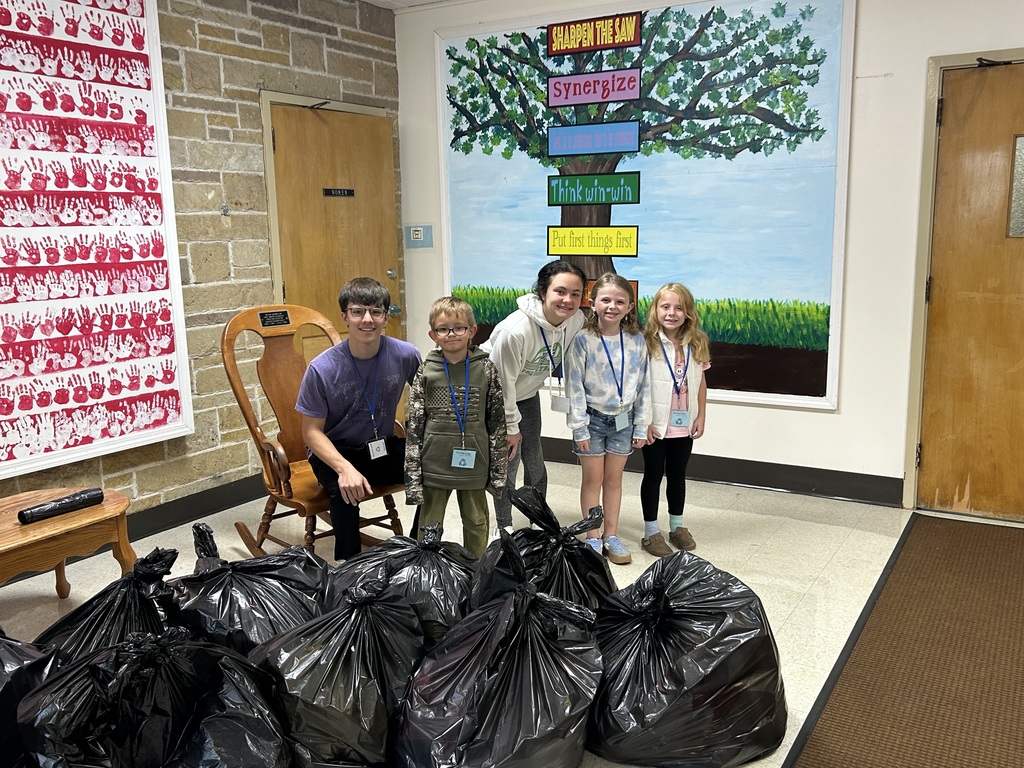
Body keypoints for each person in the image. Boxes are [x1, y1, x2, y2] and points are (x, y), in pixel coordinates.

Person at [296, 277, 421, 560]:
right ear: (345, 317)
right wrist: (344, 469)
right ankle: (350, 567)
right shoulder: (322, 368)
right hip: (335, 452)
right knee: (345, 492)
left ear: (386, 317)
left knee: (433, 467)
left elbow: (430, 399)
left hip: (381, 445)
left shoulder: (406, 354)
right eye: (358, 311)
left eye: (376, 312)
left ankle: (419, 550)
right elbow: (311, 433)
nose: (368, 319)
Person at [483, 259, 587, 532]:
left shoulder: (576, 320)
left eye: (575, 294)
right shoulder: (515, 331)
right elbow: (500, 384)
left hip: (527, 394)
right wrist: (510, 427)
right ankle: (503, 526)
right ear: (543, 292)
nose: (568, 300)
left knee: (534, 458)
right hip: (493, 397)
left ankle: (537, 517)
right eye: (560, 291)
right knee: (508, 462)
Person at [405, 297, 507, 557]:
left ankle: (475, 570)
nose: (451, 334)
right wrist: (413, 479)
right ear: (433, 334)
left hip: (474, 464)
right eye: (443, 329)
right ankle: (426, 569)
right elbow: (415, 427)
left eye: (459, 327)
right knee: (429, 524)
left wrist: (497, 476)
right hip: (433, 465)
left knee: (476, 521)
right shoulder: (426, 370)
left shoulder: (486, 369)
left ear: (472, 331)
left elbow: (496, 424)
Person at [564, 273, 650, 564]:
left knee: (613, 480)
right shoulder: (583, 340)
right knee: (593, 479)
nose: (612, 306)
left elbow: (644, 385)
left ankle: (611, 535)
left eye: (619, 301)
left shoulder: (637, 341)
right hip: (591, 419)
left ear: (630, 306)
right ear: (593, 302)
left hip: (624, 421)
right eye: (606, 299)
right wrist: (579, 427)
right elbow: (573, 386)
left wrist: (642, 423)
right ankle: (592, 536)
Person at [640, 282, 710, 555]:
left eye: (679, 307)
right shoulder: (646, 342)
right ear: (655, 309)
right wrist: (642, 421)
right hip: (655, 425)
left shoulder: (697, 342)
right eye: (665, 306)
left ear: (688, 312)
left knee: (678, 475)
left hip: (683, 424)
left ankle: (677, 526)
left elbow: (701, 382)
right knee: (653, 475)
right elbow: (639, 386)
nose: (671, 313)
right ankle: (650, 532)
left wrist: (701, 415)